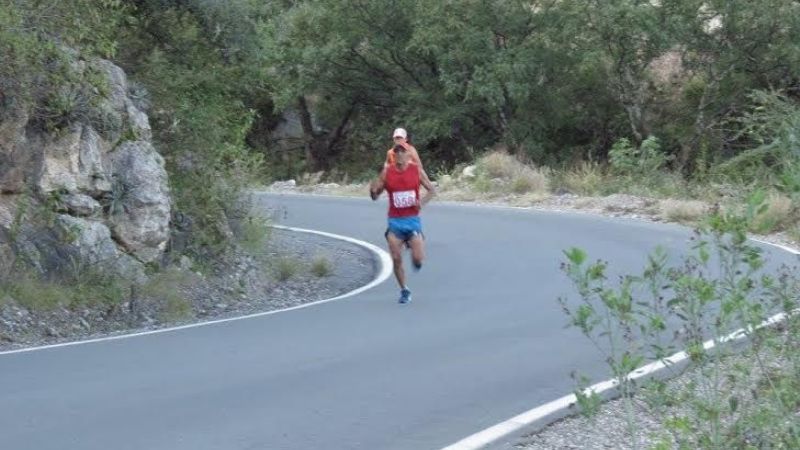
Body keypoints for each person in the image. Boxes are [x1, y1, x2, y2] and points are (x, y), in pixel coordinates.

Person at [370, 144, 435, 304]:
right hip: (395, 221)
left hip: (412, 220)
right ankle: (404, 290)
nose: (399, 154)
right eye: (396, 151)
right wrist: (373, 191)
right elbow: (375, 196)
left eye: (402, 151)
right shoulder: (387, 172)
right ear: (393, 155)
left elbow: (432, 190)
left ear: (408, 154)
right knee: (396, 258)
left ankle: (415, 248)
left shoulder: (416, 170)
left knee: (418, 259)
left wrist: (422, 202)